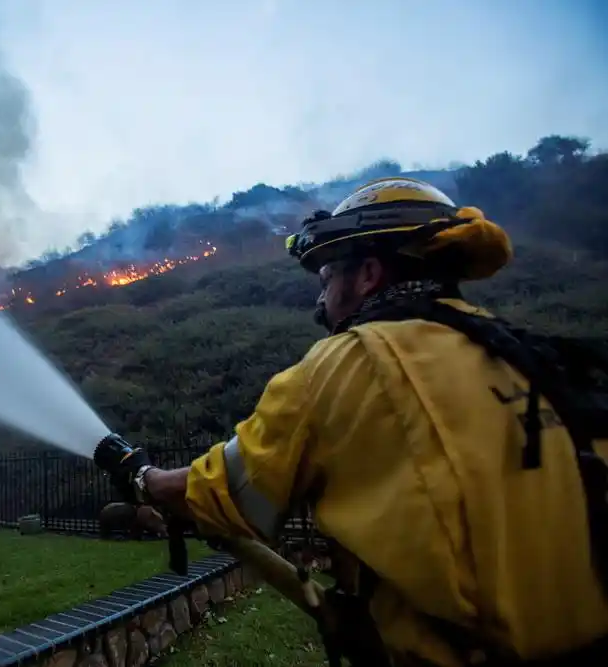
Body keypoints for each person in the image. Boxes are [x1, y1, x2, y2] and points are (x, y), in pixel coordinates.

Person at [94, 177, 608, 667]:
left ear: (367, 273)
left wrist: (143, 476)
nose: (320, 300)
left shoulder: (348, 362)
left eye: (327, 278)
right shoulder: (536, 357)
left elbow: (221, 493)